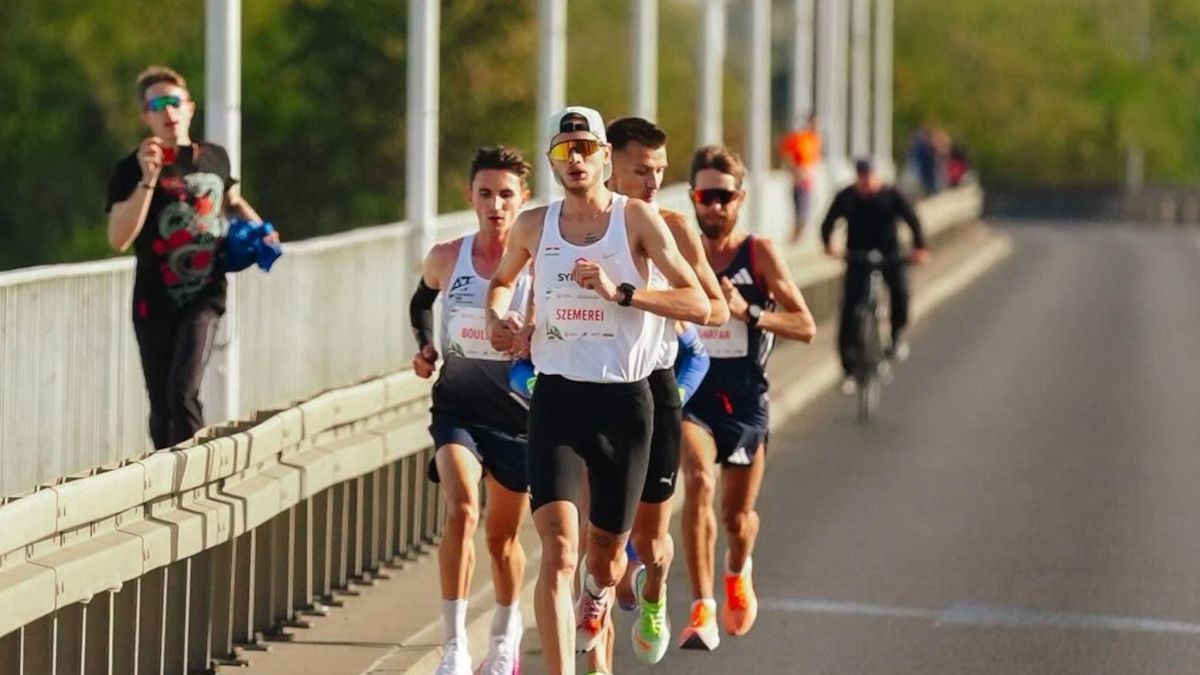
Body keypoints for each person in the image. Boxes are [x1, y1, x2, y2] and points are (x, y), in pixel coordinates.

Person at [485, 106, 710, 675]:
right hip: (557, 400)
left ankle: (604, 591)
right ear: (552, 161)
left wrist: (623, 293)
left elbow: (699, 303)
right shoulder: (533, 225)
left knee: (607, 558)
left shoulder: (637, 220)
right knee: (559, 549)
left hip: (625, 403)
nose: (577, 160)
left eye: (586, 148)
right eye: (565, 151)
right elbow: (502, 282)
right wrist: (499, 318)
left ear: (605, 157)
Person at [583, 116, 728, 669]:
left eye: (661, 171)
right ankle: (596, 658)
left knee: (650, 543)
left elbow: (715, 308)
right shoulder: (572, 226)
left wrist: (645, 299)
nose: (654, 182)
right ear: (608, 162)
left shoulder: (672, 227)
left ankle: (655, 594)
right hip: (590, 386)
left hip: (654, 387)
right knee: (594, 544)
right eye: (643, 170)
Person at [678, 145, 816, 652]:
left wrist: (750, 313)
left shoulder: (759, 254)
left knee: (737, 519)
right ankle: (702, 608)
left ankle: (738, 568)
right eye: (704, 197)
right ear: (692, 197)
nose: (714, 207)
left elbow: (805, 325)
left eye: (724, 197)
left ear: (740, 198)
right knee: (697, 480)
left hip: (745, 402)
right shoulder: (683, 252)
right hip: (693, 395)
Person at [105, 65, 277, 449]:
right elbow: (119, 238)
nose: (168, 112)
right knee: (161, 402)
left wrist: (262, 230)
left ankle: (193, 476)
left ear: (189, 108)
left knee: (182, 390)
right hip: (154, 299)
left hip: (204, 293)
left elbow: (231, 201)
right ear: (146, 116)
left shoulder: (214, 158)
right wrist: (148, 178)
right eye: (157, 105)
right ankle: (163, 472)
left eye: (174, 102)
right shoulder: (130, 168)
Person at [410, 147, 534, 675]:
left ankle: (505, 633)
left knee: (502, 540)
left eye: (506, 195)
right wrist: (425, 347)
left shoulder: (539, 264)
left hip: (519, 415)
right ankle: (456, 645)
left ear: (523, 199)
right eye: (486, 194)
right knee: (462, 510)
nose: (496, 205)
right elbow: (421, 302)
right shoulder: (447, 257)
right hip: (457, 409)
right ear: (470, 197)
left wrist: (530, 338)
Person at [819, 158, 930, 395]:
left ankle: (895, 335)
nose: (866, 182)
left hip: (890, 255)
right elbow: (828, 222)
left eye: (870, 176)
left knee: (901, 292)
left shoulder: (892, 195)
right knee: (850, 311)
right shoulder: (847, 197)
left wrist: (920, 247)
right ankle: (849, 369)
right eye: (862, 177)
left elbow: (913, 220)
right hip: (857, 256)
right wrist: (828, 244)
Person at [778, 114, 822, 242]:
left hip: (808, 178)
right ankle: (796, 232)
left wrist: (810, 172)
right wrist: (794, 170)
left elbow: (814, 160)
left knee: (806, 206)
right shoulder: (799, 138)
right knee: (798, 205)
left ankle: (800, 232)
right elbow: (786, 155)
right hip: (798, 177)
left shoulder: (815, 140)